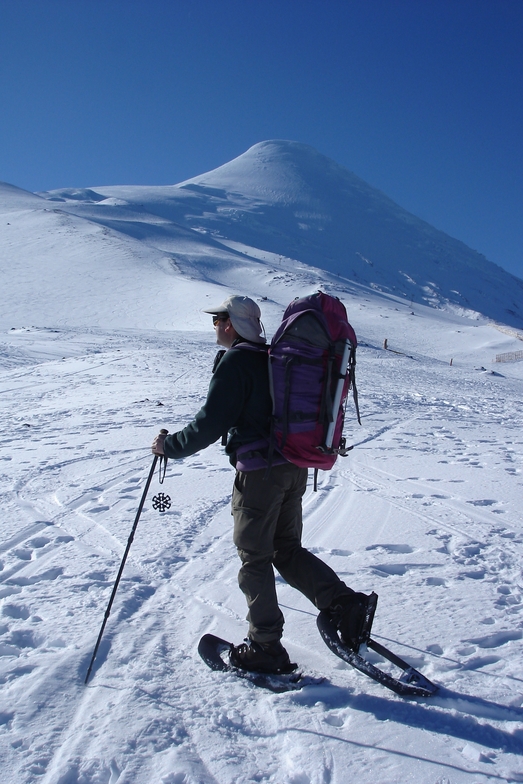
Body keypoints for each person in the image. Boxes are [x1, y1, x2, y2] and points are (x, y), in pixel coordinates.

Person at [151, 294, 372, 674]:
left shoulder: (238, 361)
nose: (215, 326)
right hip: (293, 466)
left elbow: (209, 424)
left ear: (232, 323)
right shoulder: (274, 357)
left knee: (255, 558)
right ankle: (344, 605)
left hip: (259, 474)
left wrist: (168, 447)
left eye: (217, 319)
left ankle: (265, 646)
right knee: (285, 549)